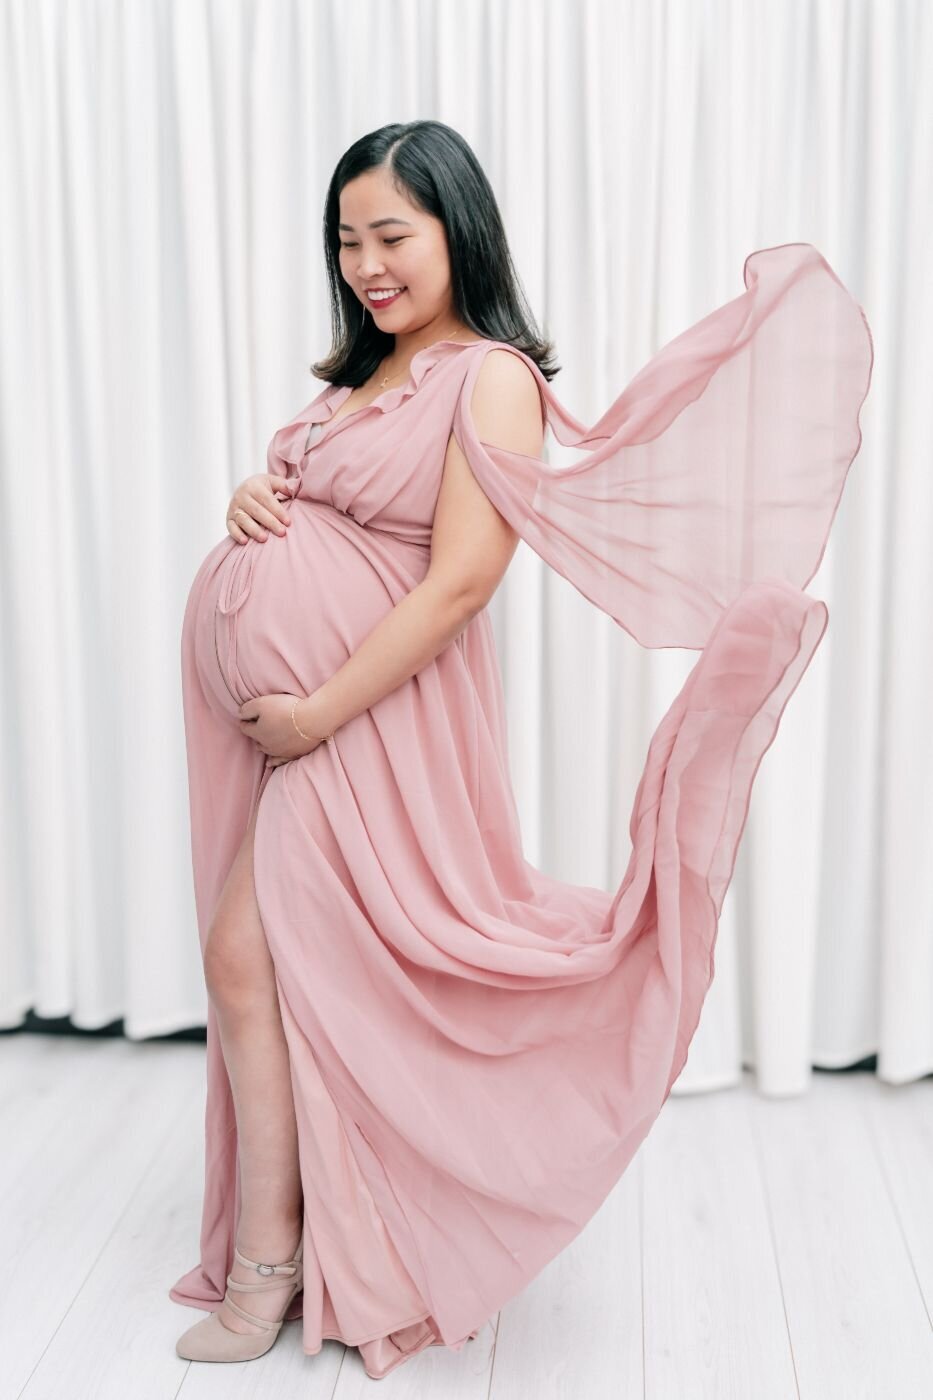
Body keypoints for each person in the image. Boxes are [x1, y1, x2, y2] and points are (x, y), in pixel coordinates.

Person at [169, 119, 873, 1381]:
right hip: (313, 723)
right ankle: (290, 1249)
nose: (368, 263)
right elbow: (324, 513)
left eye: (394, 235)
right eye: (348, 239)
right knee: (260, 964)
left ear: (459, 230)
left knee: (256, 956)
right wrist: (251, 500)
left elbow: (457, 586)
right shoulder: (358, 378)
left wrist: (318, 710)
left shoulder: (486, 374)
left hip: (371, 723)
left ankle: (279, 1266)